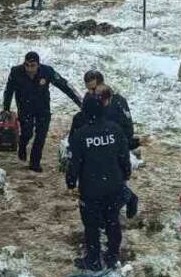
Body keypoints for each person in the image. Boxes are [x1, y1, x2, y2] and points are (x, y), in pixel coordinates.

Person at [66, 93, 131, 274]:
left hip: (91, 189)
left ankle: (93, 259)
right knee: (112, 222)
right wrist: (126, 174)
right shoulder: (115, 130)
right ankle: (112, 256)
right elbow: (124, 156)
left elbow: (74, 163)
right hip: (114, 185)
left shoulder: (80, 135)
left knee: (92, 226)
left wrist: (71, 182)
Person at [68, 70, 139, 219]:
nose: (91, 92)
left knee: (116, 182)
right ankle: (107, 216)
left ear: (102, 84)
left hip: (115, 146)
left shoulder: (118, 101)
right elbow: (84, 122)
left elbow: (128, 128)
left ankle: (127, 200)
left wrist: (122, 145)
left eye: (93, 88)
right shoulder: (89, 100)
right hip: (96, 147)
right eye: (88, 89)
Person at [2, 51, 81, 172]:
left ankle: (35, 163)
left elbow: (64, 86)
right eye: (27, 65)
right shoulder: (16, 72)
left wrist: (80, 103)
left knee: (41, 135)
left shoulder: (47, 71)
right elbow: (9, 91)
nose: (29, 69)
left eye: (32, 66)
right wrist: (6, 108)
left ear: (38, 65)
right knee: (27, 133)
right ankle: (22, 145)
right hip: (25, 107)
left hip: (43, 108)